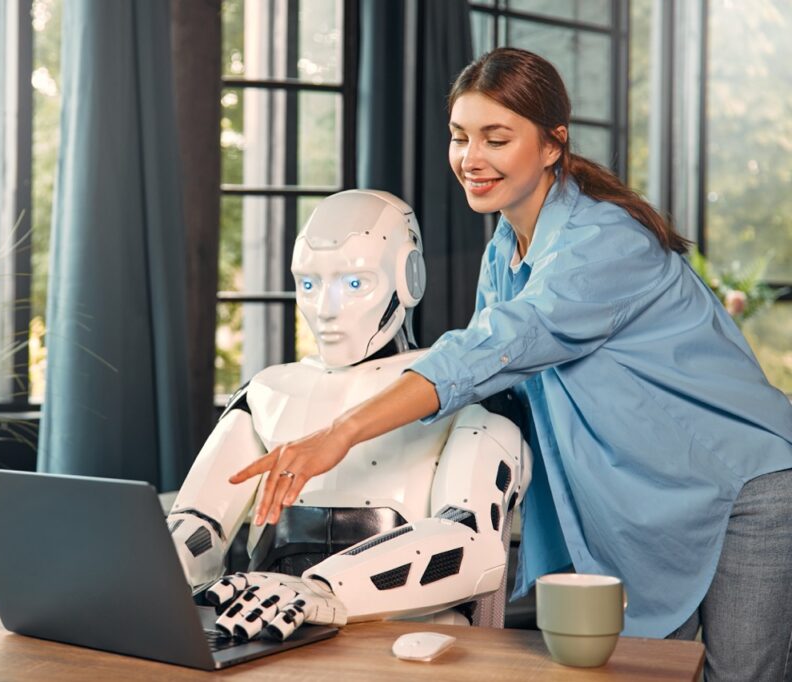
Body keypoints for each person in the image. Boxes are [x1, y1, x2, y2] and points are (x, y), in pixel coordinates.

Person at [230, 48, 792, 681]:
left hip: (745, 483)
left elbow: (491, 349)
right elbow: (497, 392)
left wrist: (340, 434)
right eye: (460, 137)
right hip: (652, 497)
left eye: (496, 138)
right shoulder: (504, 249)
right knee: (653, 671)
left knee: (743, 677)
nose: (472, 159)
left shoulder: (603, 241)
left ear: (553, 145)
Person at [166, 189, 532, 641]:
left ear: (408, 278)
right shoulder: (267, 393)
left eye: (355, 283)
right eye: (308, 285)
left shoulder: (466, 390)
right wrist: (142, 577)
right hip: (269, 644)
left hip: (409, 649)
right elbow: (197, 526)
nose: (326, 309)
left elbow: (470, 543)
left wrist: (322, 589)